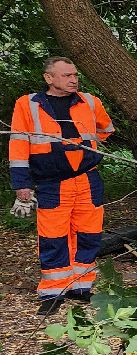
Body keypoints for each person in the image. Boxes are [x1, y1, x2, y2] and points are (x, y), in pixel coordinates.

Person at [7, 57, 116, 313]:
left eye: (75, 75)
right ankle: (53, 292)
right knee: (53, 236)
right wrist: (22, 184)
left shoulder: (90, 101)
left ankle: (82, 286)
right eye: (67, 75)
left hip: (88, 178)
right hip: (52, 182)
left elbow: (107, 129)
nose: (74, 79)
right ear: (49, 78)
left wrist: (88, 148)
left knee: (89, 233)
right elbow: (19, 144)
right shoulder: (28, 104)